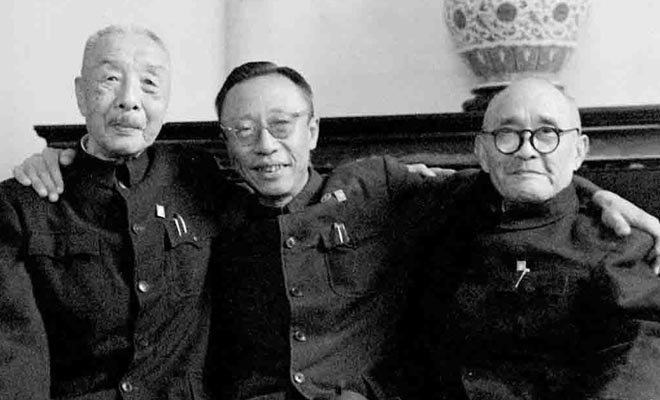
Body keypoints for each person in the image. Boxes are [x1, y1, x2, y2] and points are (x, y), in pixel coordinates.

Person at [14, 63, 660, 400]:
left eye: (282, 125)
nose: (265, 145)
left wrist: (593, 191)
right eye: (243, 131)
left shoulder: (379, 187)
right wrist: (61, 158)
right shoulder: (204, 201)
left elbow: (508, 179)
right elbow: (121, 178)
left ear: (313, 132)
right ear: (226, 146)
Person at [0, 25, 226, 399]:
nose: (129, 100)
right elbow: (15, 357)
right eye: (110, 79)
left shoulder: (199, 179)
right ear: (80, 94)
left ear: (166, 99)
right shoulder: (21, 204)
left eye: (149, 84)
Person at [412, 78, 660, 399]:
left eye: (547, 133)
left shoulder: (612, 240)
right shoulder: (440, 209)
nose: (526, 150)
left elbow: (642, 350)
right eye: (507, 133)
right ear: (482, 152)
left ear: (579, 151)